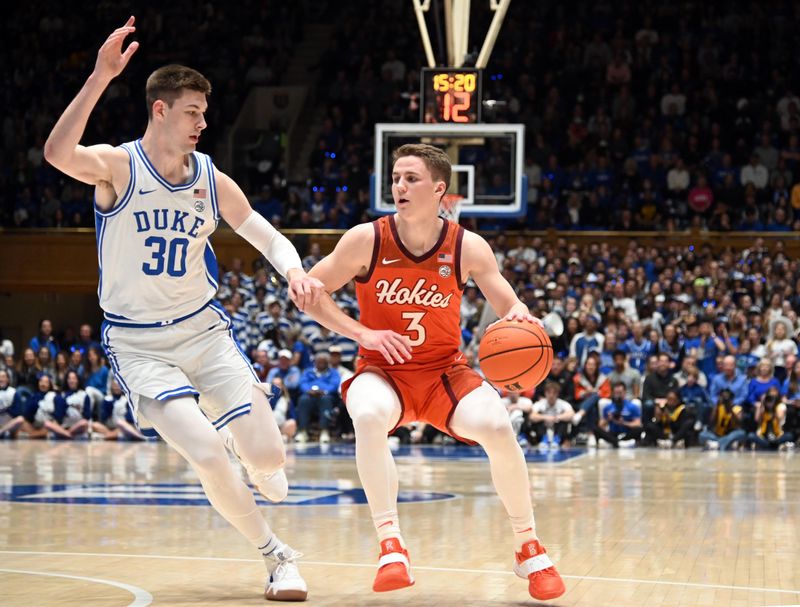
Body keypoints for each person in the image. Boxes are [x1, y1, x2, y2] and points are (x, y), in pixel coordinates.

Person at [43, 18, 324, 600]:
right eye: (193, 111)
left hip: (204, 334)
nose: (203, 121)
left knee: (269, 459)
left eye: (204, 111)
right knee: (203, 452)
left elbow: (268, 237)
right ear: (161, 111)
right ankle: (276, 558)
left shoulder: (211, 179)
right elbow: (56, 152)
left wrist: (294, 270)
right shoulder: (117, 167)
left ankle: (259, 462)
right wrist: (99, 77)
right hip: (139, 344)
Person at [303, 143, 565, 600]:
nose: (399, 186)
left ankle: (528, 546)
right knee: (366, 417)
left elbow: (507, 302)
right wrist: (362, 333)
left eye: (411, 178)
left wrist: (523, 315)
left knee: (499, 427)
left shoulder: (467, 245)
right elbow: (310, 291)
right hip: (384, 371)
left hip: (445, 373)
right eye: (396, 178)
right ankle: (390, 545)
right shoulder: (367, 239)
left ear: (440, 189)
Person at [295, 352, 340, 444]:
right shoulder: (308, 371)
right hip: (310, 394)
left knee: (326, 400)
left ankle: (325, 431)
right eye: (319, 362)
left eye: (323, 363)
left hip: (325, 395)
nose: (321, 364)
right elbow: (302, 383)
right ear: (315, 362)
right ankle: (303, 431)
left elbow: (335, 385)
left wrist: (324, 391)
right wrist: (308, 390)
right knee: (303, 400)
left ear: (327, 363)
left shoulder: (333, 372)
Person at [594, 382, 641, 448]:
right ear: (613, 393)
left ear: (624, 392)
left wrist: (624, 423)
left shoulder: (632, 406)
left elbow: (638, 424)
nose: (618, 395)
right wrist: (608, 419)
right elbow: (601, 425)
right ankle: (618, 442)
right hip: (613, 433)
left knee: (639, 429)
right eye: (616, 393)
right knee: (596, 429)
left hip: (627, 433)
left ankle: (616, 442)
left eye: (620, 393)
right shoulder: (608, 407)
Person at [529, 381, 574, 449]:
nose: (551, 395)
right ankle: (544, 439)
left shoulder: (562, 403)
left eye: (554, 393)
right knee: (537, 419)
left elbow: (571, 414)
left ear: (557, 394)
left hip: (557, 427)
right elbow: (531, 416)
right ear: (545, 393)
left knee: (564, 420)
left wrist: (557, 417)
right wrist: (545, 417)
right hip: (543, 427)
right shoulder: (540, 403)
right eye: (549, 392)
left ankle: (557, 439)